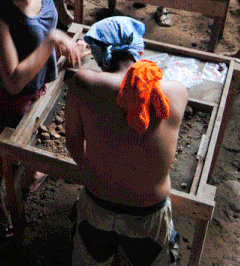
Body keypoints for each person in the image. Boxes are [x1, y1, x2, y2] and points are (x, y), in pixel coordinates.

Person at [0, 0, 88, 239]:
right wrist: (54, 40)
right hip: (11, 97)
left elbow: (39, 40)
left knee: (32, 140)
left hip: (41, 84)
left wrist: (66, 50)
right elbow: (14, 80)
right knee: (0, 148)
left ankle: (30, 175)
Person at [65, 16, 188, 266]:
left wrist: (99, 173)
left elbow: (74, 144)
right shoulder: (176, 91)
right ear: (139, 50)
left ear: (100, 53)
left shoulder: (84, 82)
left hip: (98, 203)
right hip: (149, 213)